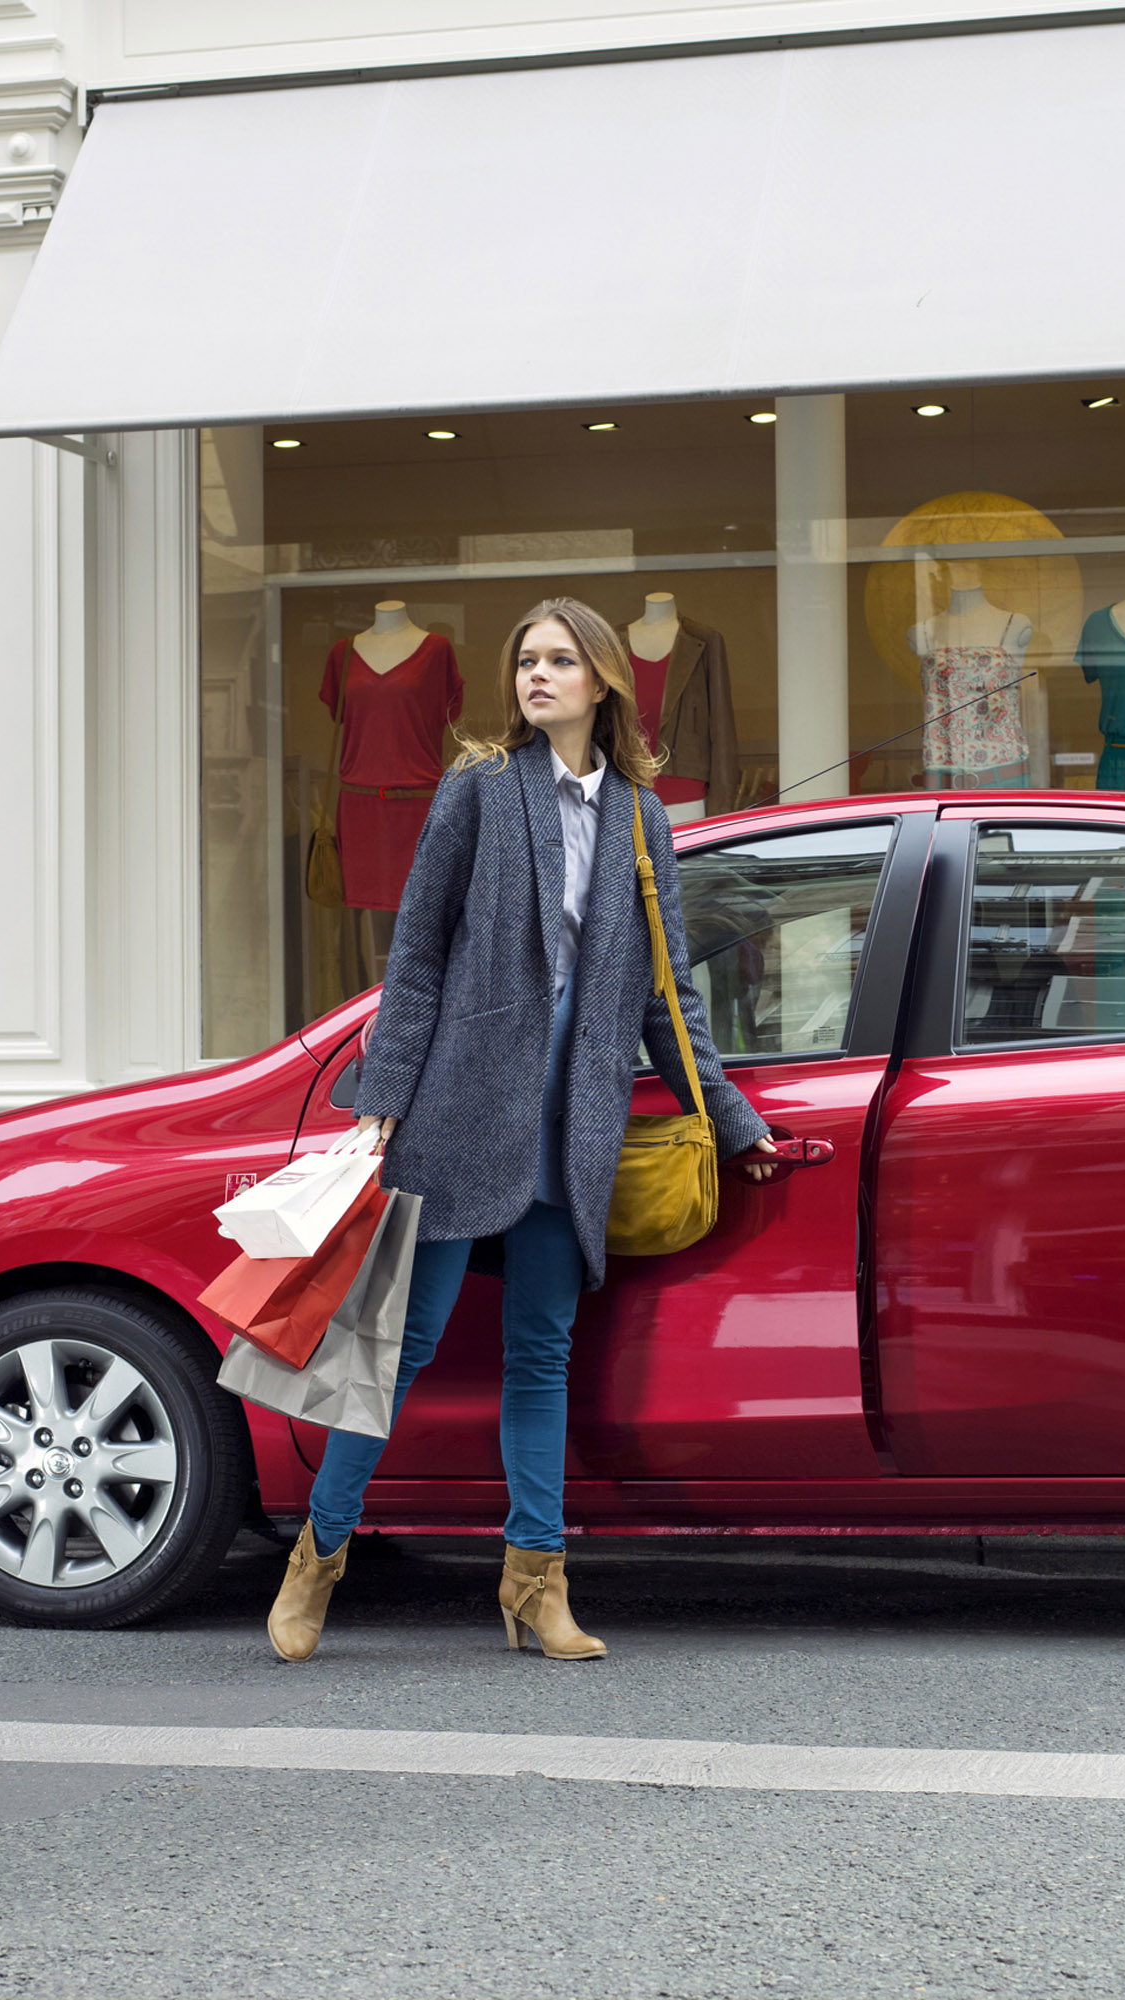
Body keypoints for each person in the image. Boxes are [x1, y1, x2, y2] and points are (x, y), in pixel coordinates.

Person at [266, 596, 780, 1663]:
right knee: (398, 1352)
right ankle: (317, 1557)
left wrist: (726, 1115)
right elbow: (413, 960)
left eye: (559, 660)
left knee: (539, 1354)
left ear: (603, 680)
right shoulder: (479, 790)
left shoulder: (643, 812)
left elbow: (666, 989)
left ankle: (536, 1582)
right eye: (526, 661)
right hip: (458, 1112)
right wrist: (380, 1106)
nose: (536, 676)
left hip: (574, 1120)